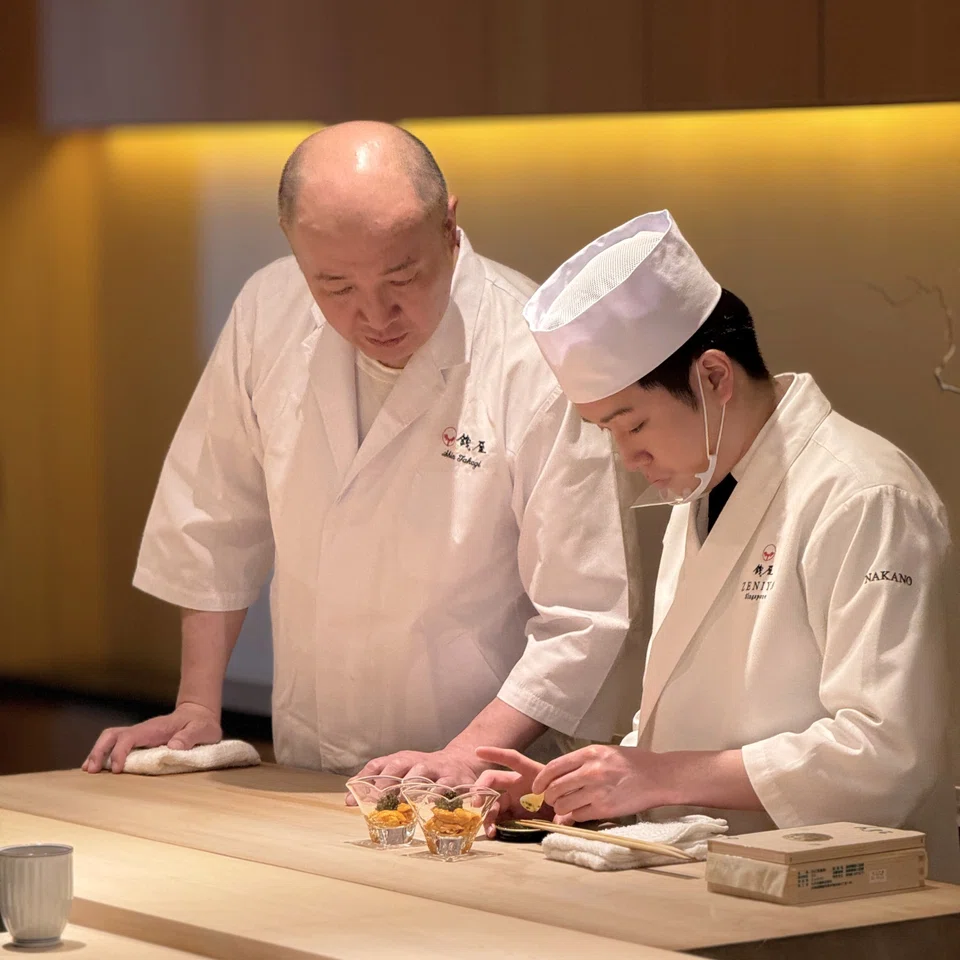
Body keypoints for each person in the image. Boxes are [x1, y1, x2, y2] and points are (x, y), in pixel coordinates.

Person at [82, 122, 631, 785]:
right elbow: (214, 518)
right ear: (294, 246)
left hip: (490, 784)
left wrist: (466, 753)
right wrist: (196, 704)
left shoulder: (538, 355)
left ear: (449, 226)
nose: (375, 314)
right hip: (311, 762)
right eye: (337, 287)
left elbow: (584, 613)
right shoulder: (268, 310)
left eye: (403, 276)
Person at [478, 209, 960, 881]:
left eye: (632, 425)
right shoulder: (702, 488)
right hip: (707, 876)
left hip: (848, 892)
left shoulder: (866, 495)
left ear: (713, 377)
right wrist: (577, 788)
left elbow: (884, 751)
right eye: (607, 432)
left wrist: (657, 775)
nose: (628, 457)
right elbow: (685, 719)